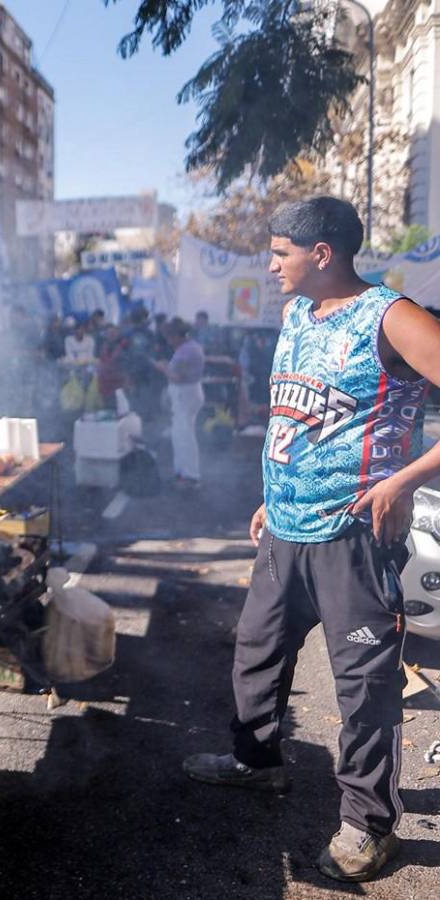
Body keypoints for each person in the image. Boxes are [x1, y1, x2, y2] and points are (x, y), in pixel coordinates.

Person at [182, 197, 440, 882]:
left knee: (364, 688)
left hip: (354, 535)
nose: (270, 266)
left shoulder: (393, 315)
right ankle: (256, 763)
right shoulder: (299, 313)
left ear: (321, 254)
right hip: (285, 531)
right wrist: (271, 493)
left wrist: (404, 480)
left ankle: (368, 823)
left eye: (279, 253)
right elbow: (295, 414)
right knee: (258, 654)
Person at [157, 318, 205, 489]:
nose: (169, 341)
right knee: (179, 435)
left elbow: (178, 377)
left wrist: (163, 368)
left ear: (177, 335)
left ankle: (191, 476)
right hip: (186, 394)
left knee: (185, 437)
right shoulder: (190, 347)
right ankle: (181, 473)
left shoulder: (186, 352)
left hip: (186, 394)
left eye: (170, 337)